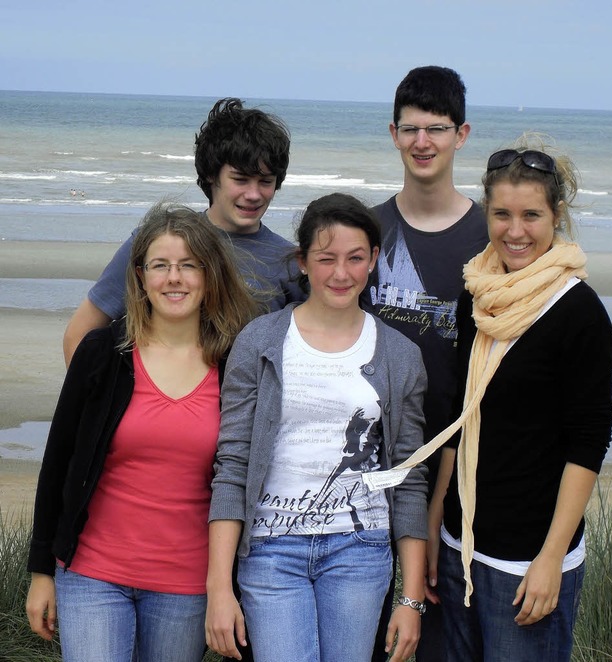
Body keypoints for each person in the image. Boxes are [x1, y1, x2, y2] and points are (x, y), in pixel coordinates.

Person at [26, 203, 259, 662]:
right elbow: (58, 463)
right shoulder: (103, 353)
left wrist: (223, 588)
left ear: (209, 275)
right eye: (160, 265)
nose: (174, 278)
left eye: (188, 266)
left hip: (186, 584)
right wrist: (40, 572)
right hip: (93, 572)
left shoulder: (236, 363)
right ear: (140, 275)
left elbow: (240, 479)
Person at [205, 193, 429, 662]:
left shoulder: (400, 355)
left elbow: (408, 481)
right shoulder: (260, 341)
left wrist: (409, 599)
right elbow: (232, 465)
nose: (341, 273)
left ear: (373, 261)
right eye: (326, 259)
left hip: (360, 548)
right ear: (303, 262)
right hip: (270, 549)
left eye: (355, 258)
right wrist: (219, 588)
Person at [421, 135, 612, 660]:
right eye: (501, 214)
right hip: (460, 544)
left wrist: (551, 558)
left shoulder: (578, 313)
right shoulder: (478, 294)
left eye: (531, 215)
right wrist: (437, 516)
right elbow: (461, 415)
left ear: (557, 216)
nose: (515, 231)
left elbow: (588, 441)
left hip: (527, 562)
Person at [365, 65, 489, 661]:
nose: (422, 142)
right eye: (410, 128)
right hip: (367, 453)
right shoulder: (367, 230)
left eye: (436, 129)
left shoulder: (495, 235)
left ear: (461, 135)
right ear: (393, 134)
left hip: (459, 461)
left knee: (436, 628)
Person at [62, 97, 305, 367]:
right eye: (240, 179)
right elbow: (79, 332)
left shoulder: (289, 261)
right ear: (212, 175)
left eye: (265, 182)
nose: (253, 194)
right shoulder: (157, 244)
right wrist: (90, 405)